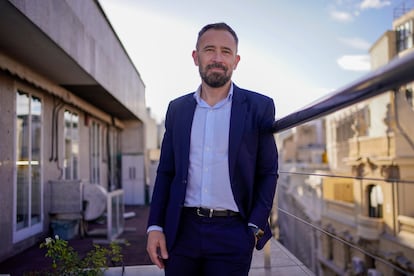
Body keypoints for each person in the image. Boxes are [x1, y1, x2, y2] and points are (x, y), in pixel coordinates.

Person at [146, 22, 278, 276]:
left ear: (236, 60)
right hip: (181, 230)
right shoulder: (177, 109)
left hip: (234, 232)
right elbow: (166, 172)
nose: (218, 58)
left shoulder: (259, 107)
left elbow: (268, 172)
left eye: (226, 52)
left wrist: (253, 227)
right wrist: (155, 226)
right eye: (209, 50)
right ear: (196, 57)